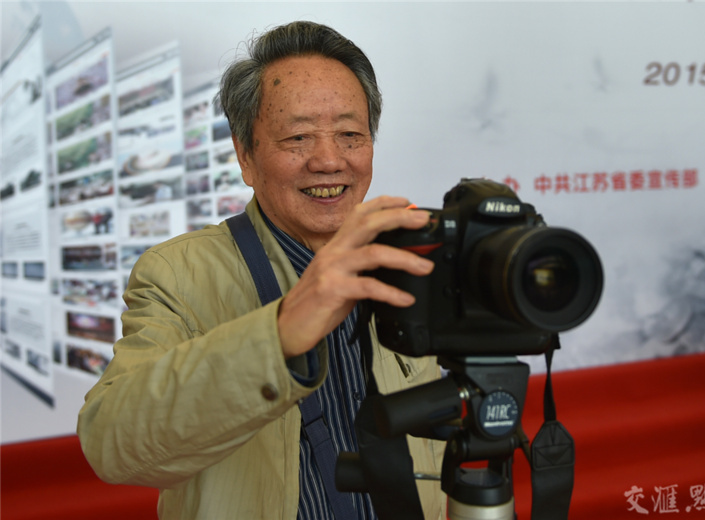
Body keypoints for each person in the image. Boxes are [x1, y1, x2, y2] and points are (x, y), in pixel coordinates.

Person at [77, 21, 445, 520]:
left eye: (350, 135)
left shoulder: (405, 260)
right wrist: (280, 334)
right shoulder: (176, 274)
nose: (329, 160)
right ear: (245, 156)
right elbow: (111, 443)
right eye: (298, 137)